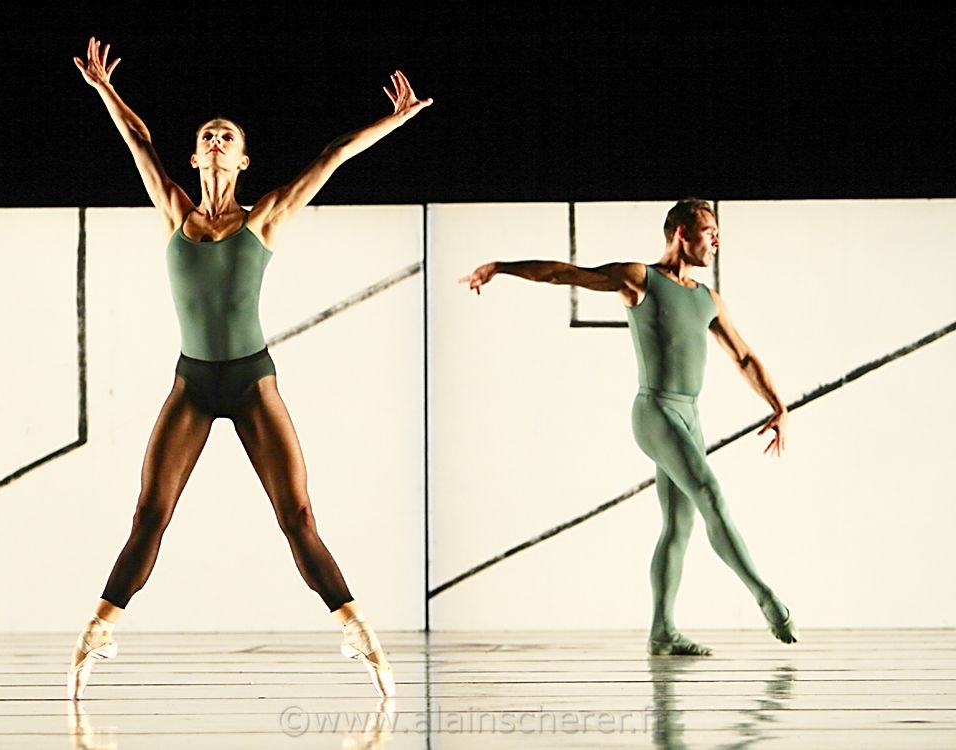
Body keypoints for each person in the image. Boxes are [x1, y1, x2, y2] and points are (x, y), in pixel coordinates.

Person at [67, 37, 431, 699]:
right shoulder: (175, 212)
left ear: (242, 159)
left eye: (226, 136)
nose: (215, 140)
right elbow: (138, 140)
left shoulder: (264, 218)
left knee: (297, 516)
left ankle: (357, 630)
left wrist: (394, 119)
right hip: (192, 384)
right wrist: (104, 89)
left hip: (251, 382)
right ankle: (97, 630)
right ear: (195, 155)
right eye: (207, 135)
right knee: (150, 514)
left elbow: (331, 156)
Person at [461, 199, 797, 655]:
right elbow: (564, 274)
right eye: (709, 231)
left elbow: (743, 356)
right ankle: (768, 600)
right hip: (655, 412)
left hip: (690, 417)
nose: (717, 240)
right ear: (681, 233)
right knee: (710, 494)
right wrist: (500, 267)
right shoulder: (641, 279)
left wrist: (778, 406)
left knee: (679, 525)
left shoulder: (708, 299)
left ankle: (663, 630)